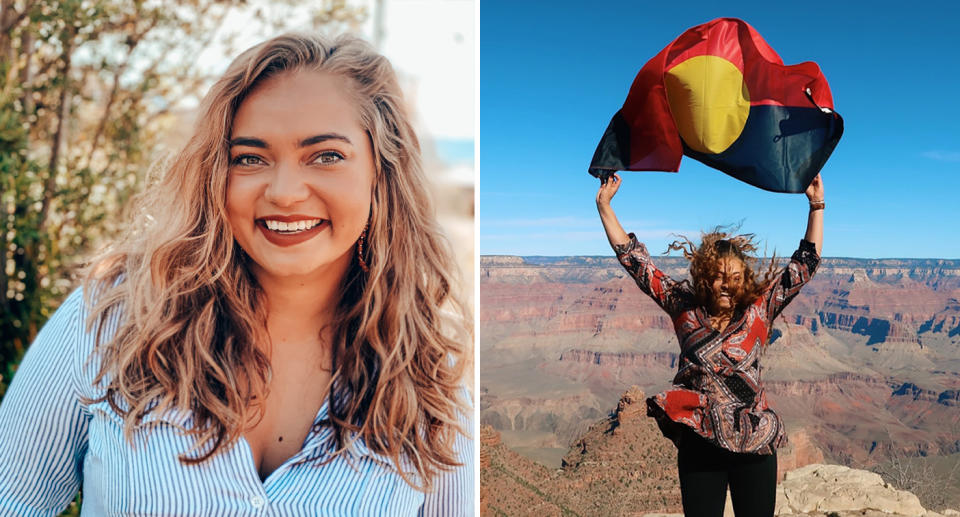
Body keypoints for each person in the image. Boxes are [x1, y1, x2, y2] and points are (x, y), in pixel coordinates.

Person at [0, 33, 473, 516]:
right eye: (250, 158)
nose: (285, 192)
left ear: (381, 174)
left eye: (326, 156)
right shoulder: (113, 320)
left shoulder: (432, 384)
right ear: (215, 176)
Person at [596, 173, 824, 517]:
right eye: (718, 275)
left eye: (734, 277)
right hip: (700, 443)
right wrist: (604, 206)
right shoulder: (683, 306)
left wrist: (816, 205)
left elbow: (804, 265)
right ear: (704, 274)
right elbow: (637, 263)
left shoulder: (760, 308)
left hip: (754, 442)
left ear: (744, 278)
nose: (726, 285)